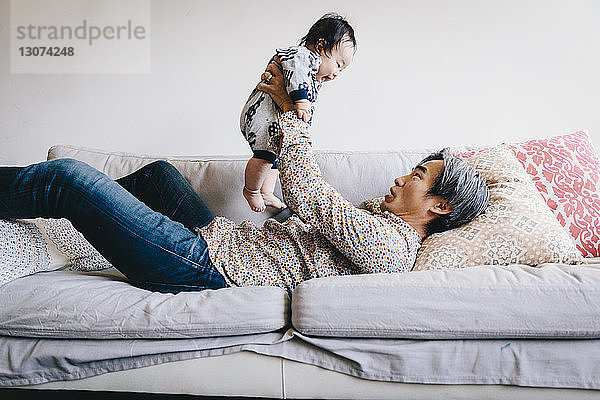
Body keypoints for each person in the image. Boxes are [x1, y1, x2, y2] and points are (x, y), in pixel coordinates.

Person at [0, 62, 489, 296]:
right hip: (222, 240)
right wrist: (275, 175)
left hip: (202, 267)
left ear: (439, 205)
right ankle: (80, 229)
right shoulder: (377, 226)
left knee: (67, 179)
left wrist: (299, 123)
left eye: (420, 176)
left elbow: (319, 203)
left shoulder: (392, 248)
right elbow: (312, 231)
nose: (405, 176)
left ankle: (71, 210)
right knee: (162, 179)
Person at [240, 13, 356, 212]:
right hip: (261, 115)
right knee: (264, 155)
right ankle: (251, 190)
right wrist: (301, 101)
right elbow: (296, 75)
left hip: (275, 120)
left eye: (342, 70)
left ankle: (267, 192)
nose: (337, 73)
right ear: (320, 46)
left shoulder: (313, 75)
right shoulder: (301, 56)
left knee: (277, 155)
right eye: (338, 64)